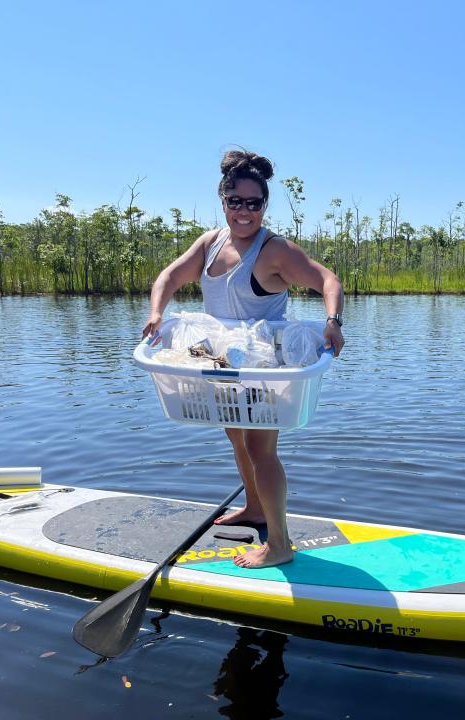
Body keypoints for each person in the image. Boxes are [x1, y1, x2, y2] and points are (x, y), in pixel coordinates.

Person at [142, 149, 345, 569]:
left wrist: (332, 321)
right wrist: (156, 313)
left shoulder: (274, 250)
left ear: (264, 206)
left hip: (263, 369)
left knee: (260, 447)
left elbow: (328, 279)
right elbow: (169, 276)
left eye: (254, 203)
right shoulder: (210, 243)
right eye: (236, 202)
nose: (245, 212)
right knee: (237, 438)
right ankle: (254, 509)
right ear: (224, 201)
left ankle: (281, 544)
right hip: (222, 363)